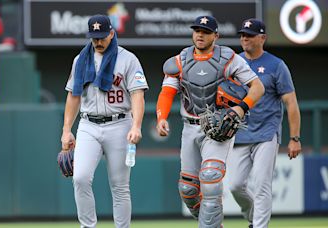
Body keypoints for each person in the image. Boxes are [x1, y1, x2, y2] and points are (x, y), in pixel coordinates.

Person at [156, 15, 265, 228]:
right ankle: (213, 224)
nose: (200, 35)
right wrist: (161, 118)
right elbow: (167, 92)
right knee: (188, 190)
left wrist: (241, 108)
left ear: (216, 35)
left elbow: (258, 87)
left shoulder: (229, 58)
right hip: (190, 127)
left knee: (211, 178)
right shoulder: (181, 60)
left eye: (205, 32)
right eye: (197, 30)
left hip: (218, 128)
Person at [60, 14, 148, 228]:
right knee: (80, 178)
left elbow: (138, 94)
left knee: (119, 185)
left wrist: (136, 125)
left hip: (119, 123)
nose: (98, 41)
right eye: (94, 37)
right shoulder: (81, 59)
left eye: (101, 36)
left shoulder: (128, 59)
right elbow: (73, 95)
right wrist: (66, 130)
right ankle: (87, 226)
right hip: (88, 124)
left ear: (111, 33)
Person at [227, 19, 301, 228]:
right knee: (235, 186)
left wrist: (294, 138)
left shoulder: (276, 65)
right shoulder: (234, 63)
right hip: (240, 134)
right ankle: (253, 219)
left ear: (263, 38)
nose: (244, 38)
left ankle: (260, 226)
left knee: (261, 184)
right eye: (242, 35)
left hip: (267, 133)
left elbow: (291, 102)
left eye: (249, 35)